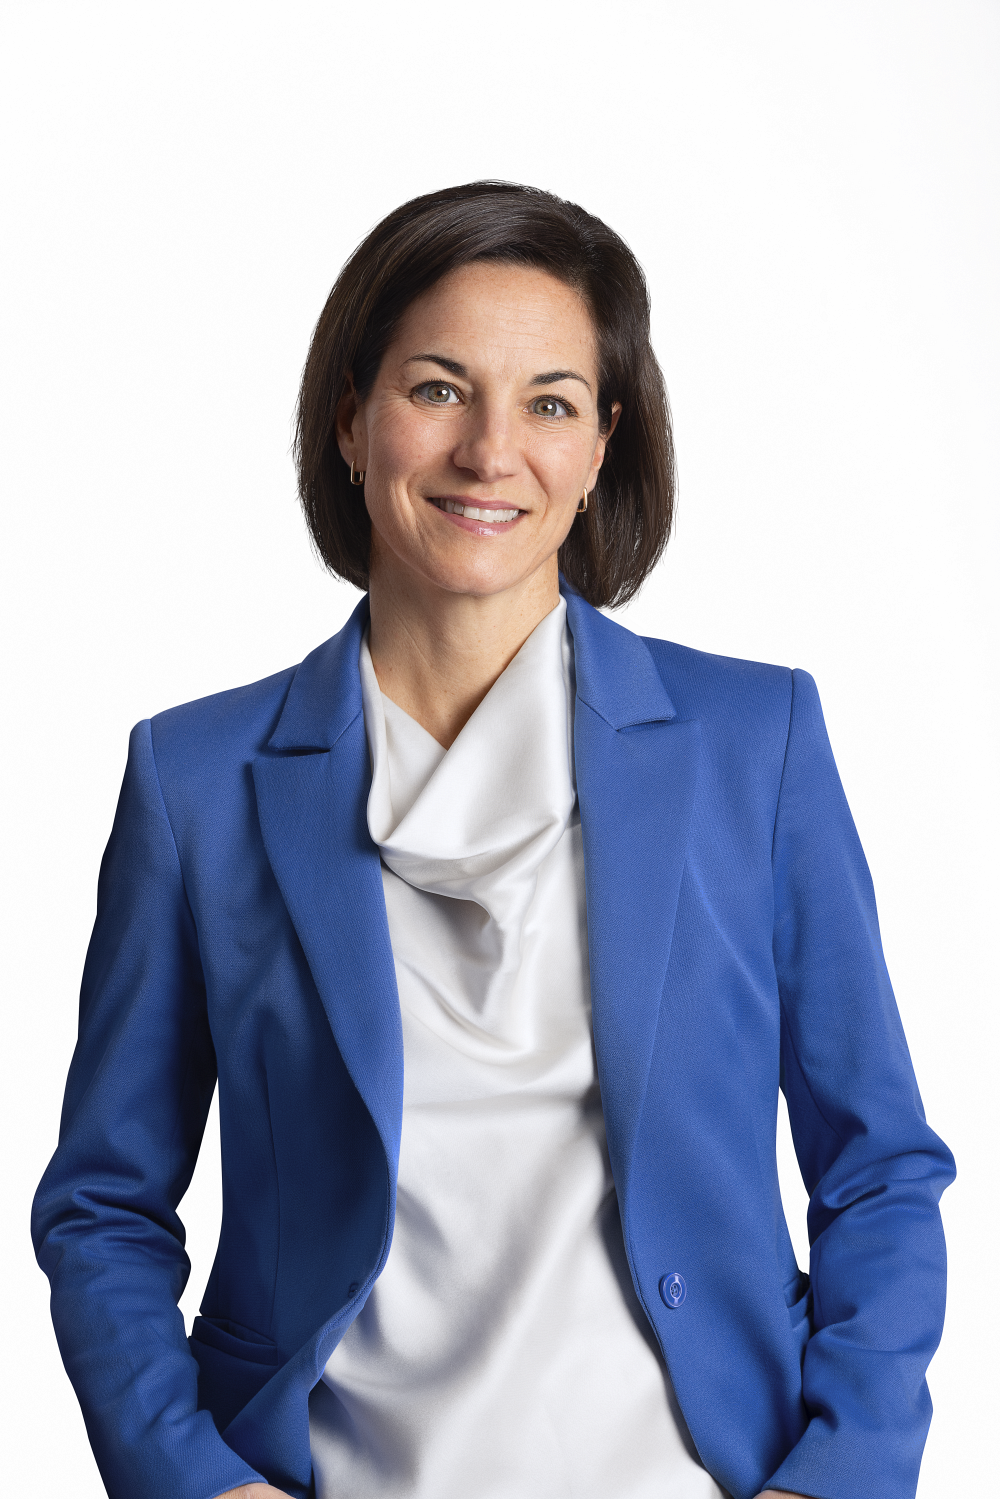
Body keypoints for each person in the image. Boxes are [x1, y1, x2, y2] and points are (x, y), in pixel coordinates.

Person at [32, 181, 954, 1499]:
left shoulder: (756, 743)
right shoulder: (198, 782)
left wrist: (842, 1475)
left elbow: (878, 1165)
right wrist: (196, 1482)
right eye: (438, 390)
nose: (490, 451)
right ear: (351, 419)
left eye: (551, 404)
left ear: (603, 446)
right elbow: (104, 1205)